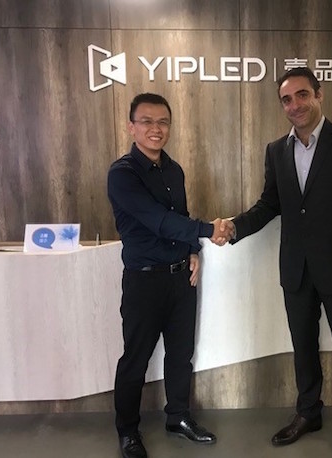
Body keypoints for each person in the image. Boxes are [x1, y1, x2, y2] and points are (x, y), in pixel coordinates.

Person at [221, 67, 332, 458]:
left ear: (318, 95)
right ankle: (308, 413)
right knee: (303, 348)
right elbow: (270, 204)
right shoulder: (277, 150)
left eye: (301, 95)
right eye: (286, 99)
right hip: (296, 270)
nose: (294, 105)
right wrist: (235, 227)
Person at [107, 93, 233, 458]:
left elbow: (181, 217)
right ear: (131, 127)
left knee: (181, 354)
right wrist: (209, 230)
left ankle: (178, 416)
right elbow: (159, 221)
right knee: (136, 359)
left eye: (163, 122)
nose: (156, 129)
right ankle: (127, 430)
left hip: (181, 280)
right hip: (144, 281)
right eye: (146, 121)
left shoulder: (174, 170)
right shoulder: (122, 174)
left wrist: (193, 249)